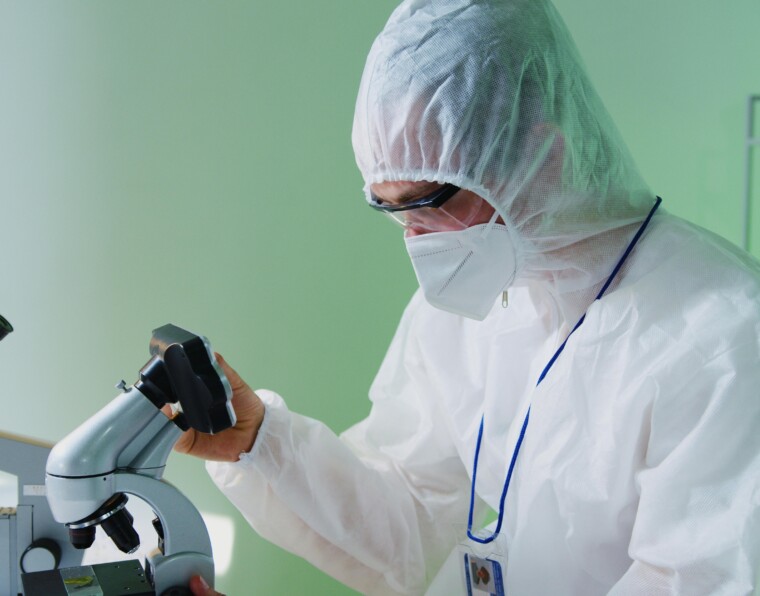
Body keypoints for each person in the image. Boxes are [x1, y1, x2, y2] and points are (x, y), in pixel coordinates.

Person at [183, 0, 760, 594]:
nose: (416, 243)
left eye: (429, 203)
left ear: (543, 157)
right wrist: (260, 443)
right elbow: (411, 516)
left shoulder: (723, 341)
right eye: (392, 210)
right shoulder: (479, 297)